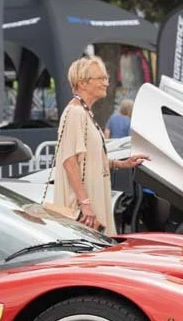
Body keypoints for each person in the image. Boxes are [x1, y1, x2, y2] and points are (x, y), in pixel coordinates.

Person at [53, 57, 148, 235]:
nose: (106, 83)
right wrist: (85, 204)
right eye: (101, 78)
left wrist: (122, 164)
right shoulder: (75, 112)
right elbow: (69, 161)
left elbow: (90, 160)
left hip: (90, 201)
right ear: (82, 82)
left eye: (107, 78)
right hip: (83, 209)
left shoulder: (84, 112)